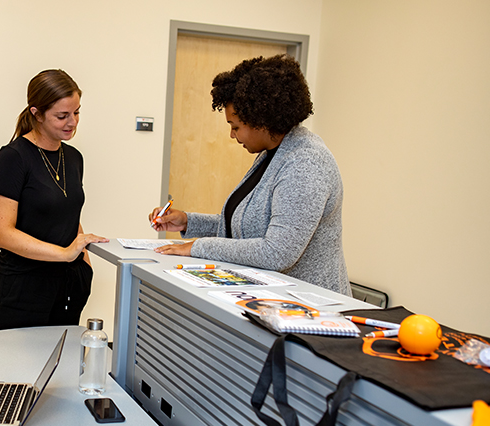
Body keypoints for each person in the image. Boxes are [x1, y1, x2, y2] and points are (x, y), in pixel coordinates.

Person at [150, 55, 351, 295]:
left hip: (312, 311)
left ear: (261, 120)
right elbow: (245, 230)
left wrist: (197, 247)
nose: (232, 135)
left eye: (235, 126)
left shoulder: (305, 162)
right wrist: (188, 222)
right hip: (274, 301)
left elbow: (277, 252)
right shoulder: (271, 155)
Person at [0, 69, 108, 331]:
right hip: (23, 288)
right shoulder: (13, 158)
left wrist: (83, 264)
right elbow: (2, 233)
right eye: (62, 116)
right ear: (37, 113)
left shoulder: (74, 158)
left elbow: (68, 214)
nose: (72, 122)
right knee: (16, 369)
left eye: (76, 112)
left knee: (62, 365)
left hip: (68, 286)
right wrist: (64, 254)